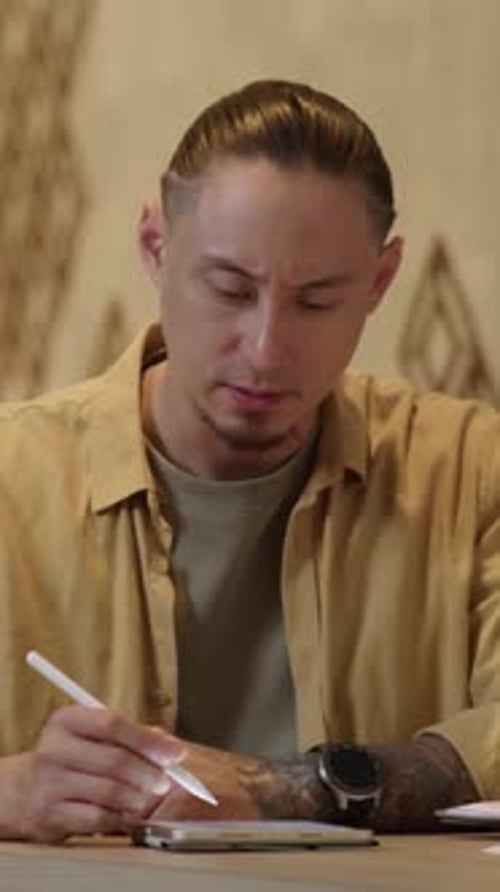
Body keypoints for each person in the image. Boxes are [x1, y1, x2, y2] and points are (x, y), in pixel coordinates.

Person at [0, 79, 499, 844]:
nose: (266, 351)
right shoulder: (14, 478)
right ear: (154, 248)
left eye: (318, 301)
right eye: (230, 289)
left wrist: (284, 793)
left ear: (381, 282)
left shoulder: (467, 470)